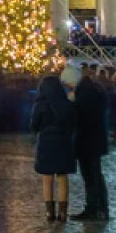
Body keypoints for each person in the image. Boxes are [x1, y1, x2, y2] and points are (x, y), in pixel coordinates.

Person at [32, 72, 77, 222]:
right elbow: (73, 123)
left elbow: (33, 126)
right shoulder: (67, 104)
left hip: (46, 143)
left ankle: (49, 213)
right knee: (63, 177)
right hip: (64, 143)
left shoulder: (40, 105)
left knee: (47, 177)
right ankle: (63, 212)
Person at [70, 66, 110, 221]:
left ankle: (95, 208)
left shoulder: (85, 93)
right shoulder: (93, 90)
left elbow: (81, 116)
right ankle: (100, 207)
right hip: (95, 139)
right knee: (95, 175)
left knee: (91, 176)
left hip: (87, 140)